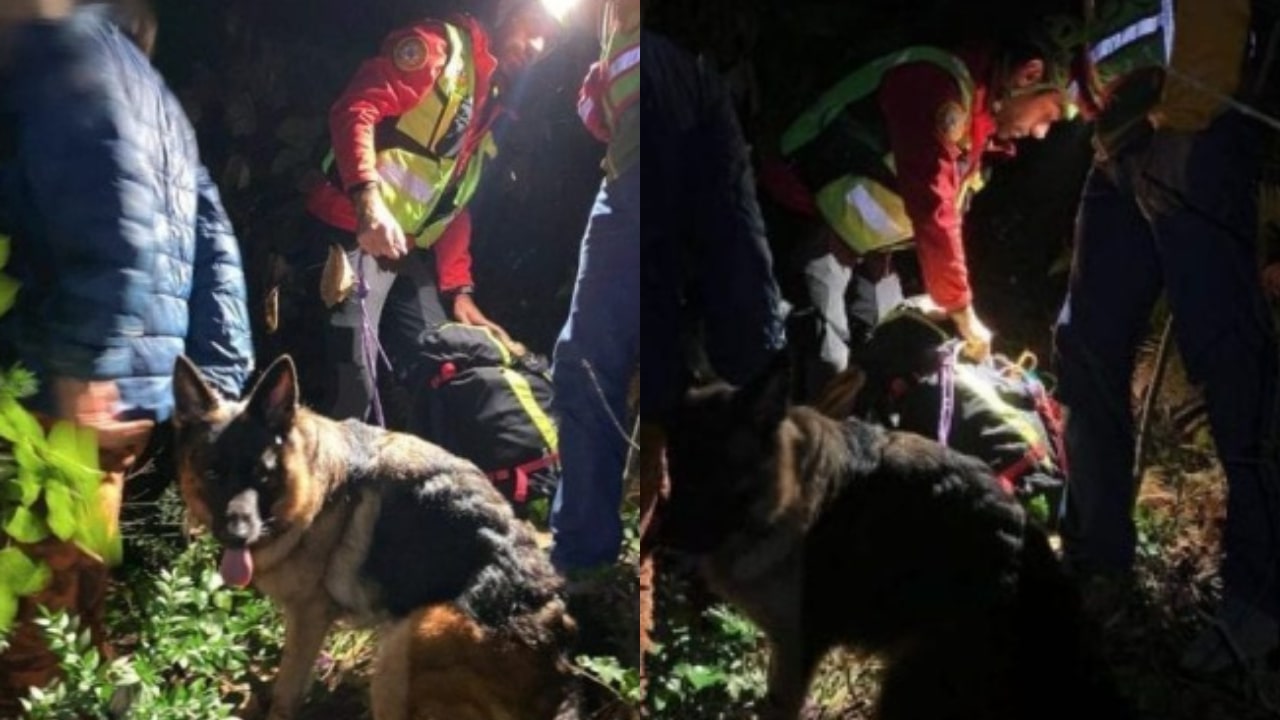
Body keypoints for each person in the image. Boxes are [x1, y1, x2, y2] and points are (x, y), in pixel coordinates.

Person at [0, 0, 253, 706]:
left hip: (65, 383)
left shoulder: (65, 56)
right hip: (127, 394)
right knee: (76, 589)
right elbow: (218, 252)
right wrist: (217, 384)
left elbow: (107, 219)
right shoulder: (164, 109)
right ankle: (106, 697)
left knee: (31, 609)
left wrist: (80, 363)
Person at [1050, 0, 1280, 673]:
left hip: (1201, 130)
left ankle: (1260, 600)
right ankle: (1098, 564)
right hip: (1118, 145)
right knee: (1083, 348)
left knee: (1232, 361)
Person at [758, 28, 1077, 400]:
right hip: (802, 213)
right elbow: (932, 209)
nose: (1041, 133)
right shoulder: (933, 83)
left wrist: (940, 302)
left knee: (898, 353)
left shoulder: (978, 128)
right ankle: (792, 449)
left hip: (865, 246)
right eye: (1049, 115)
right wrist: (961, 310)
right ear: (1029, 76)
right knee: (827, 370)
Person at [303, 0, 563, 423]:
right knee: (354, 386)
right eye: (531, 26)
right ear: (505, 13)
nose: (536, 45)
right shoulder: (438, 47)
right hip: (347, 226)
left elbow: (453, 203)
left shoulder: (490, 101)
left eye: (548, 41)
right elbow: (355, 108)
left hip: (401, 249)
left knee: (438, 362)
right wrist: (368, 201)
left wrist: (459, 289)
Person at [638, 27, 789, 687]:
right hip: (701, 276)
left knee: (743, 337)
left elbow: (657, 244)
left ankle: (743, 558)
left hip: (700, 240)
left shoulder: (645, 73)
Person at [547, 0, 640, 579]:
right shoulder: (611, 21)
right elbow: (603, 118)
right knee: (583, 364)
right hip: (622, 188)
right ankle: (583, 554)